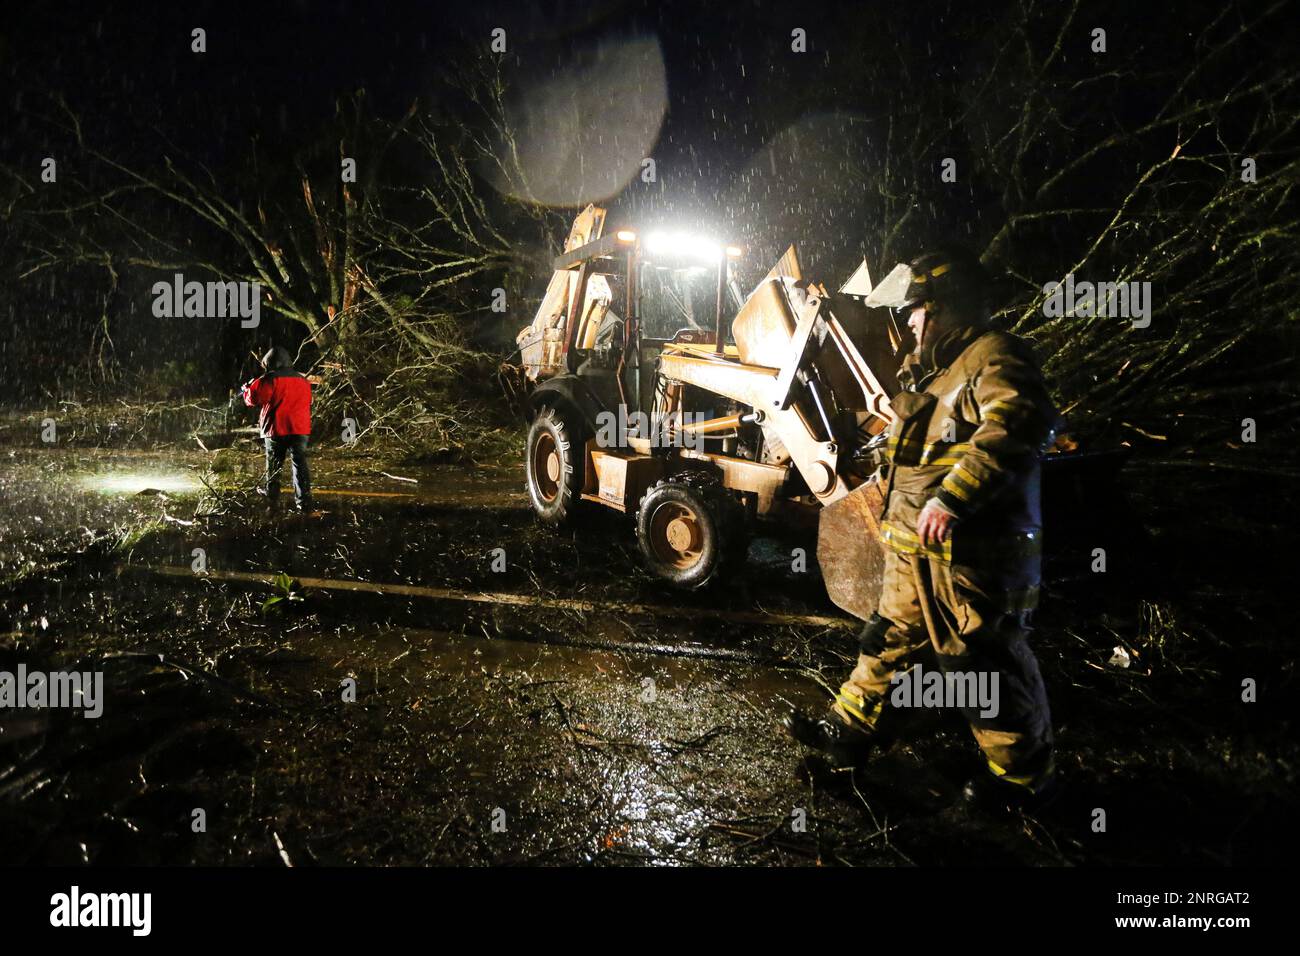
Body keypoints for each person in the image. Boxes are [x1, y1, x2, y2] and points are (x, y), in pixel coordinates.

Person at [786, 249, 1060, 812]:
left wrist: (953, 498)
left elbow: (1015, 425)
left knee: (985, 666)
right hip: (915, 556)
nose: (908, 322)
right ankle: (847, 738)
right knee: (884, 642)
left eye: (916, 310)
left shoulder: (995, 357)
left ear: (946, 307)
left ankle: (1018, 784)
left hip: (970, 559)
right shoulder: (936, 375)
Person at [241, 346, 314, 513]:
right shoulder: (303, 381)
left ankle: (272, 499)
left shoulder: (269, 379)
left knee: (274, 465)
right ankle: (304, 503)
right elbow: (309, 401)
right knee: (300, 464)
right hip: (300, 429)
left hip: (276, 428)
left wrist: (247, 390)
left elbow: (254, 399)